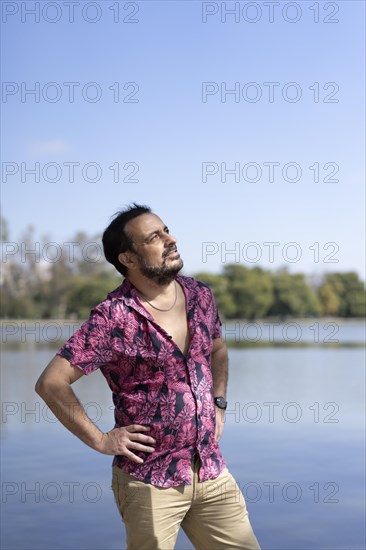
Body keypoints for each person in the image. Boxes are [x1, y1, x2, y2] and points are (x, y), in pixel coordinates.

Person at [35, 203, 261, 550]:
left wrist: (219, 402)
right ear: (128, 258)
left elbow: (217, 350)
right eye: (155, 237)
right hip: (150, 481)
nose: (171, 240)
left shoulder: (201, 296)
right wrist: (100, 439)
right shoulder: (113, 318)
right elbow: (51, 382)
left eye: (166, 230)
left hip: (212, 471)